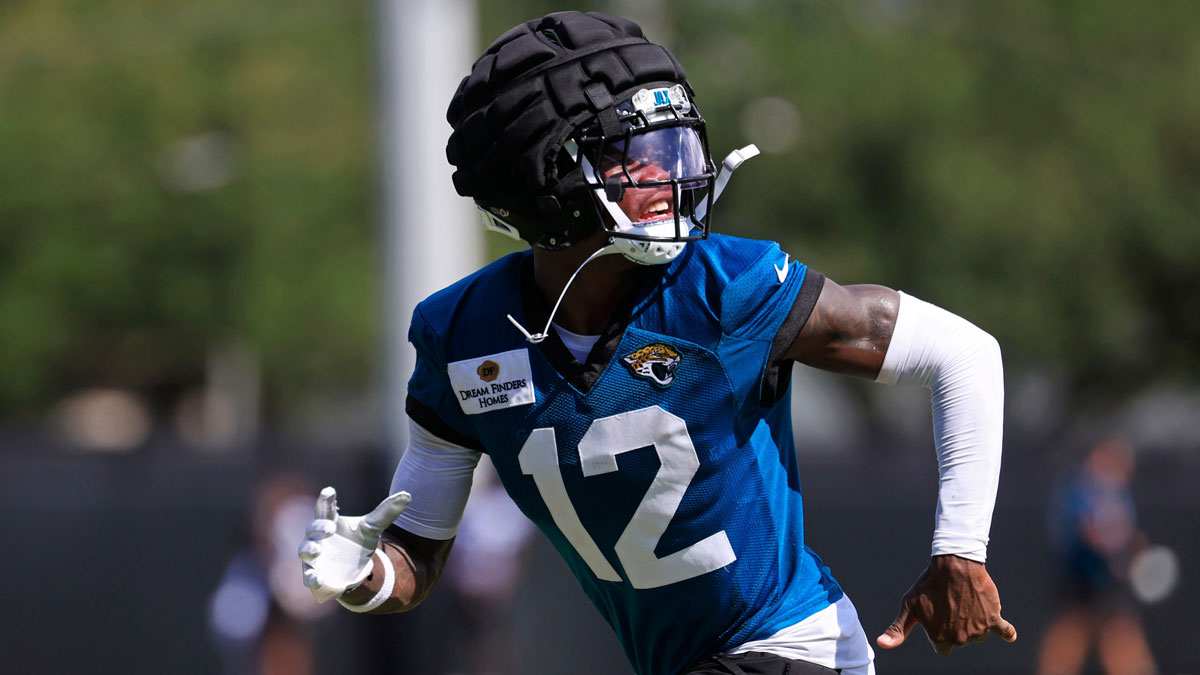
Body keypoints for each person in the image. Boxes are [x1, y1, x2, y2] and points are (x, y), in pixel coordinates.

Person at [297, 11, 1017, 675]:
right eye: (636, 155)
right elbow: (416, 552)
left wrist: (961, 549)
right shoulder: (463, 336)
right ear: (545, 176)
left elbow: (963, 353)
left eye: (674, 144)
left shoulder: (726, 287)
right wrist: (360, 576)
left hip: (789, 646)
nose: (671, 174)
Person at [1037, 435, 1157, 675]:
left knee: (1123, 642)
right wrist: (1121, 546)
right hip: (1078, 582)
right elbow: (1091, 533)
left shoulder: (1118, 493)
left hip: (1108, 585)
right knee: (1067, 643)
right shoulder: (1079, 489)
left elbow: (1123, 537)